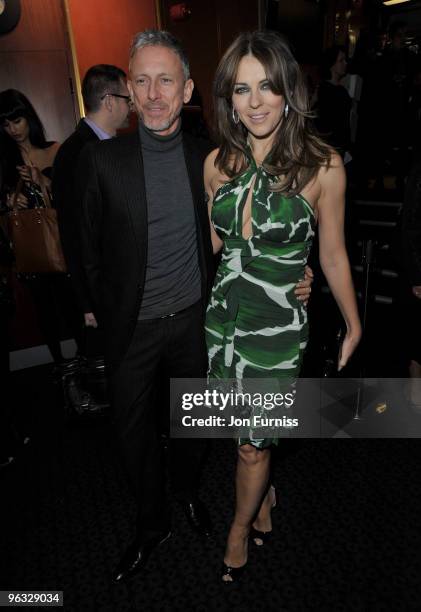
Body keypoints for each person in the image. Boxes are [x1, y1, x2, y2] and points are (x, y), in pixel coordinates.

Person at [79, 29, 313, 583]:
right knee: (132, 435)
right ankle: (150, 521)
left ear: (187, 90)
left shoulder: (208, 158)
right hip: (131, 329)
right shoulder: (98, 162)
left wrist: (297, 272)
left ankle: (186, 494)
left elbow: (250, 231)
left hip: (196, 325)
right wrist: (95, 314)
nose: (154, 93)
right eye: (141, 81)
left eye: (166, 80)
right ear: (129, 92)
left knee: (197, 428)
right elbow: (83, 252)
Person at [204, 30, 362, 582]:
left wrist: (351, 321)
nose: (255, 102)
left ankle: (239, 529)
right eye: (242, 89)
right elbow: (224, 253)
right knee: (238, 431)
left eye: (267, 86)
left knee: (251, 445)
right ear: (229, 98)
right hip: (223, 321)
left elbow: (336, 254)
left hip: (276, 326)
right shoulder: (215, 165)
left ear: (289, 89)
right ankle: (263, 497)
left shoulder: (324, 166)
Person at [52, 65, 130, 413]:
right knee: (108, 377)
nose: (132, 107)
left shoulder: (106, 146)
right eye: (128, 98)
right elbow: (74, 233)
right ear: (111, 100)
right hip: (100, 289)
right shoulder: (78, 153)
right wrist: (86, 301)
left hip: (114, 284)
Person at [0, 89, 79, 366]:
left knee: (72, 308)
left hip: (58, 242)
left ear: (28, 118)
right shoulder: (4, 161)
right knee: (44, 311)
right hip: (29, 247)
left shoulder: (54, 150)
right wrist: (9, 199)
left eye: (17, 121)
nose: (12, 130)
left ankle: (83, 366)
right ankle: (61, 369)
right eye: (6, 124)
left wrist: (42, 181)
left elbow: (72, 199)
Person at [315, 45, 352, 160]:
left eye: (345, 60)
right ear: (332, 65)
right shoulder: (326, 89)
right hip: (330, 147)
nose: (345, 63)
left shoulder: (340, 89)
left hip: (338, 146)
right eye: (341, 60)